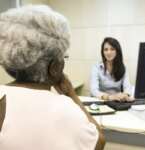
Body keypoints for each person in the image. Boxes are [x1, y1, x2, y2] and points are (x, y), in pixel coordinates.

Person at [0, 5, 105, 150]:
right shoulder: (66, 108)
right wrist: (71, 94)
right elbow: (98, 143)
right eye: (63, 57)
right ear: (54, 67)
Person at [90, 37, 132, 101]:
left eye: (112, 49)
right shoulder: (96, 67)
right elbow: (94, 90)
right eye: (106, 49)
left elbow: (127, 87)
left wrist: (125, 96)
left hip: (117, 101)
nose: (108, 52)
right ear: (102, 52)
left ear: (117, 51)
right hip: (101, 101)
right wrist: (109, 97)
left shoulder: (122, 67)